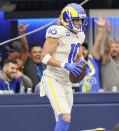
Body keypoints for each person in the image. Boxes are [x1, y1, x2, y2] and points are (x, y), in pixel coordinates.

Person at [40, 3, 88, 131]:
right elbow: (43, 57)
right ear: (67, 19)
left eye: (81, 20)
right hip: (53, 78)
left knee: (64, 119)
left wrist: (82, 61)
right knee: (65, 116)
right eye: (76, 19)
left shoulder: (80, 35)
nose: (79, 22)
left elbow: (77, 54)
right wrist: (65, 65)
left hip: (67, 82)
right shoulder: (57, 31)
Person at [80, 13, 111, 92]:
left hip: (96, 95)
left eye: (84, 49)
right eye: (80, 49)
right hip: (80, 97)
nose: (83, 51)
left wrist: (101, 29)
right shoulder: (73, 62)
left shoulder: (92, 59)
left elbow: (97, 45)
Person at [16, 22, 45, 92]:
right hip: (31, 94)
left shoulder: (47, 63)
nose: (37, 54)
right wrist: (22, 34)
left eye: (40, 52)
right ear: (30, 55)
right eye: (34, 52)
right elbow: (25, 48)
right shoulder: (27, 62)